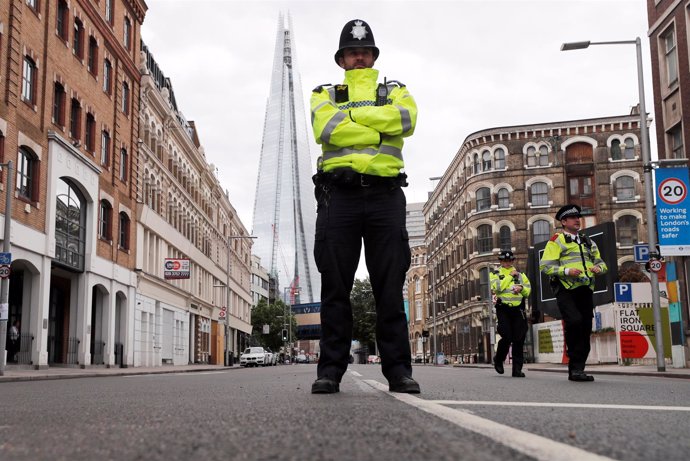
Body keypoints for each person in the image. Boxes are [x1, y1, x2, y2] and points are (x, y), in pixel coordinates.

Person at [310, 19, 419, 394]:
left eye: (364, 51)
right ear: (341, 59)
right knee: (335, 286)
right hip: (338, 196)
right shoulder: (324, 93)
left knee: (390, 286)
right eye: (351, 52)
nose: (358, 57)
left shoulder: (396, 90)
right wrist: (377, 126)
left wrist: (354, 118)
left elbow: (406, 120)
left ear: (373, 56)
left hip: (385, 195)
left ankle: (399, 372)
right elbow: (327, 130)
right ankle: (330, 371)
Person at [539, 205, 608, 382]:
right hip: (565, 288)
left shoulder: (588, 241)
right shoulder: (556, 241)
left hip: (585, 289)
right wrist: (567, 271)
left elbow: (602, 264)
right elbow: (545, 266)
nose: (577, 220)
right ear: (564, 222)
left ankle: (578, 369)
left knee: (585, 328)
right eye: (573, 217)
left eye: (578, 217)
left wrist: (597, 269)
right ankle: (574, 362)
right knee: (574, 321)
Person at [490, 250, 531, 378]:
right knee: (506, 336)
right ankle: (499, 359)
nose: (507, 263)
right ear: (500, 261)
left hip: (518, 309)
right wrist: (509, 277)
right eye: (504, 261)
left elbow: (528, 291)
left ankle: (517, 369)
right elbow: (496, 288)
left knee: (519, 338)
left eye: (509, 261)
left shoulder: (521, 275)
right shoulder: (495, 274)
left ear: (513, 261)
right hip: (503, 308)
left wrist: (521, 288)